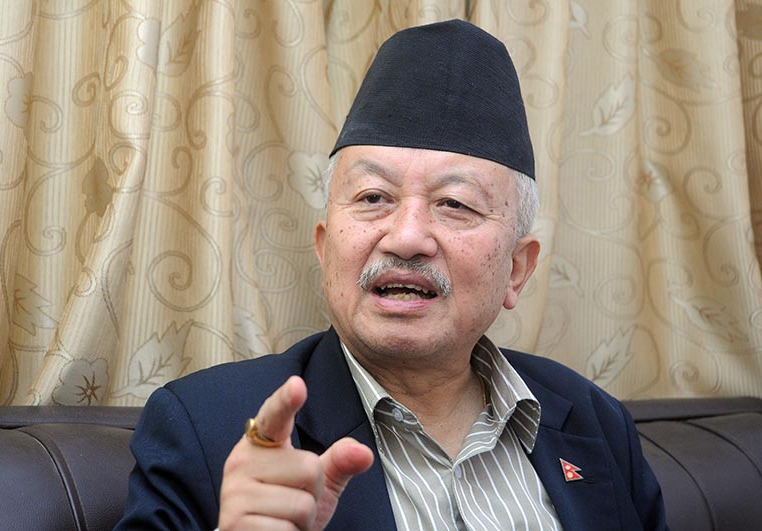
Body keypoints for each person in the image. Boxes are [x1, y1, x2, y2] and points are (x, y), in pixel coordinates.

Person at [115, 19, 667, 531]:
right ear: (326, 248)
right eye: (373, 197)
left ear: (516, 271)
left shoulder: (595, 424)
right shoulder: (206, 428)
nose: (406, 237)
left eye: (454, 204)